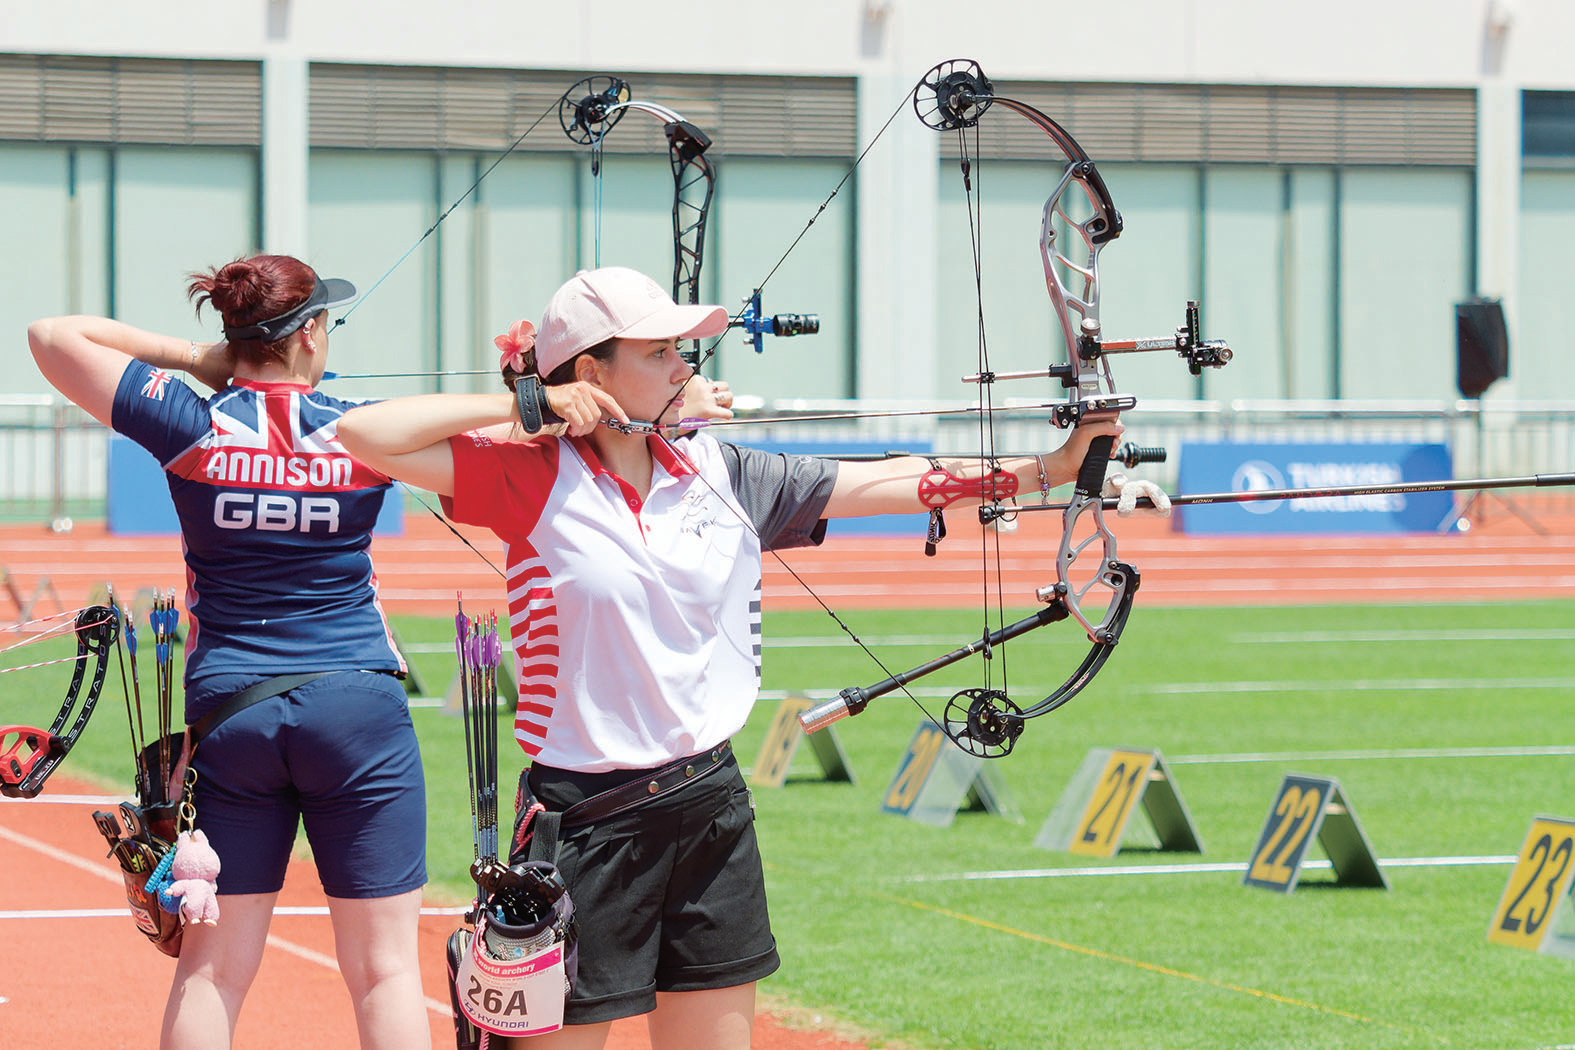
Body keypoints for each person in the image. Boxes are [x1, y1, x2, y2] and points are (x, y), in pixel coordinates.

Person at [335, 266, 1124, 1050]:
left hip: (709, 807)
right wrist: (528, 406)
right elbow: (364, 435)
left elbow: (893, 482)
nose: (683, 367)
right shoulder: (528, 477)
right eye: (658, 353)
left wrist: (1051, 468)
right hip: (585, 822)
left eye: (681, 350)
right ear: (590, 375)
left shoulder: (725, 474)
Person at [28, 255, 432, 1050]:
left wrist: (194, 358)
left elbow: (51, 336)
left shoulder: (192, 422)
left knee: (211, 971)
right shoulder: (361, 428)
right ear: (308, 334)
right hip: (356, 706)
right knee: (385, 971)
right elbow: (516, 432)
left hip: (233, 715)